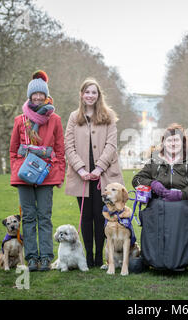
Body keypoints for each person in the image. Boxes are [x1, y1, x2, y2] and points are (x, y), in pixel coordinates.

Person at [9, 70, 65, 272]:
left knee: (44, 216)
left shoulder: (55, 120)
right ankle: (32, 257)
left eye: (42, 94)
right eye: (35, 94)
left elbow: (60, 149)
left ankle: (46, 257)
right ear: (30, 95)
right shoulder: (19, 120)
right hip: (24, 174)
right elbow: (13, 150)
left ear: (46, 95)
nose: (38, 97)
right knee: (29, 216)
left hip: (46, 174)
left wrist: (59, 174)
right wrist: (17, 169)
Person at [64, 78, 124, 268]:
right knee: (86, 217)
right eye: (87, 92)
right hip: (81, 176)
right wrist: (81, 169)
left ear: (98, 96)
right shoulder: (74, 117)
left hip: (103, 176)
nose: (90, 95)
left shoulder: (108, 116)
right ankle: (87, 256)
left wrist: (99, 168)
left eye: (94, 92)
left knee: (102, 216)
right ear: (81, 95)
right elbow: (69, 145)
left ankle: (100, 256)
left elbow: (111, 145)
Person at [132, 123, 188, 201]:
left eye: (176, 140)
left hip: (186, 204)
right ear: (164, 143)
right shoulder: (154, 161)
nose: (173, 144)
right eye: (169, 140)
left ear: (183, 142)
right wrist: (153, 184)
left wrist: (179, 195)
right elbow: (137, 179)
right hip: (158, 204)